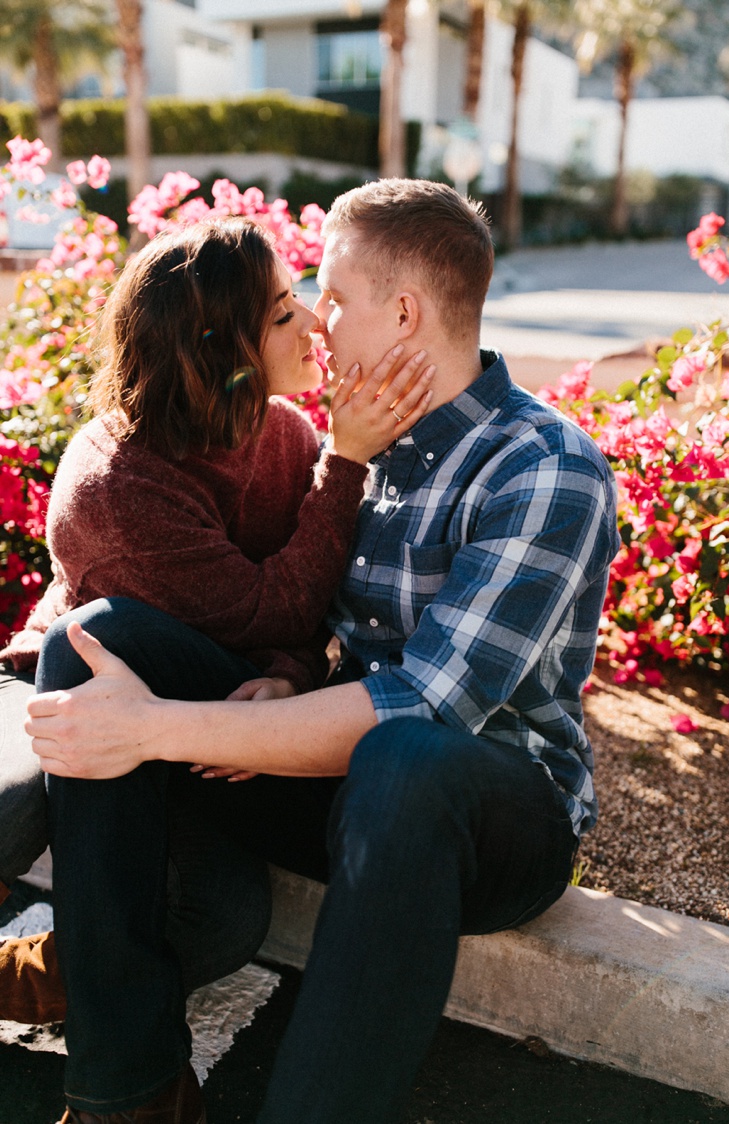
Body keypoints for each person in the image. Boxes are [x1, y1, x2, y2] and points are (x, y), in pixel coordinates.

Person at [24, 179, 619, 1124]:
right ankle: (129, 1093)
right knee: (100, 642)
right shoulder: (360, 443)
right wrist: (287, 677)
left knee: (405, 758)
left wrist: (158, 729)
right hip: (339, 786)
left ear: (406, 311)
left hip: (490, 818)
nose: (315, 322)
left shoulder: (544, 467)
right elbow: (306, 622)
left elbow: (424, 706)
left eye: (332, 298)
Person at [0, 216, 432, 1025]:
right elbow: (267, 607)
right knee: (14, 797)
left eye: (296, 298)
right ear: (215, 350)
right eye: (278, 314)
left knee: (223, 921)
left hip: (189, 721)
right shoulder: (118, 483)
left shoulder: (284, 431)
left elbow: (304, 616)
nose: (312, 323)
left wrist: (289, 677)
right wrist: (347, 465)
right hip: (61, 679)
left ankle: (34, 971)